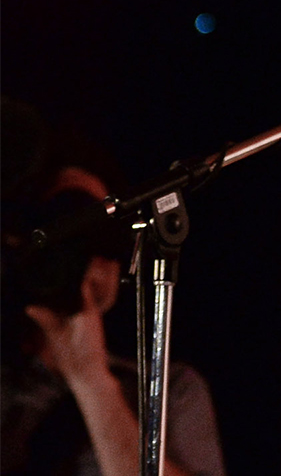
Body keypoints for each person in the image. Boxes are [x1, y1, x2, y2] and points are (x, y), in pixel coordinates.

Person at [1, 100, 228, 476]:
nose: (84, 262)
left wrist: (92, 382)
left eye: (96, 238)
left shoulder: (171, 391)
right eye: (60, 238)